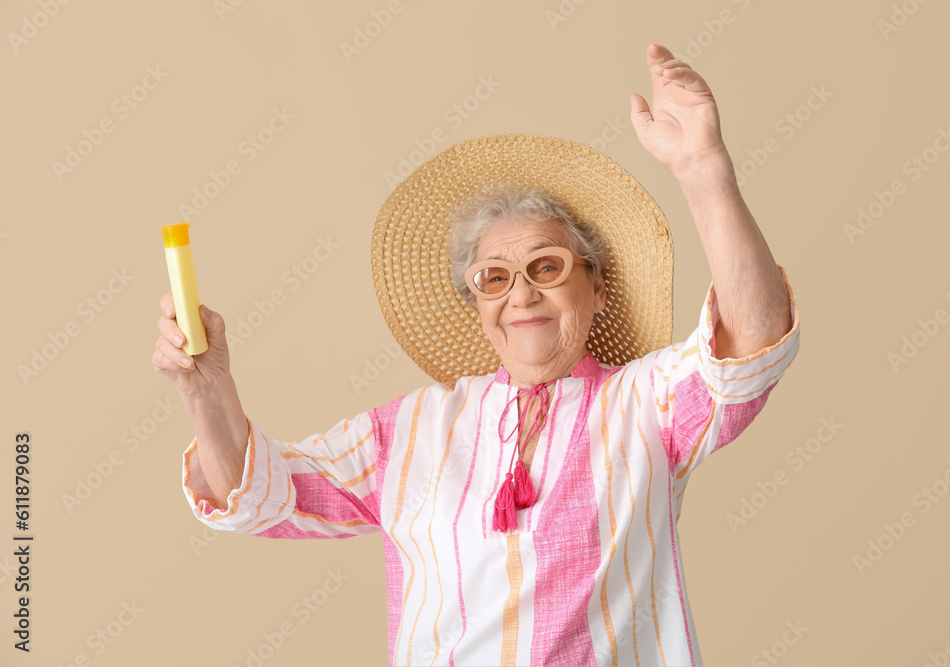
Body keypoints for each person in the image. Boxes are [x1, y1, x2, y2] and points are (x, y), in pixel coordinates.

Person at [153, 44, 801, 667]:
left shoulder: (647, 404)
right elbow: (263, 494)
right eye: (493, 277)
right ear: (477, 305)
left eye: (545, 266)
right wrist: (206, 391)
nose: (521, 292)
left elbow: (752, 340)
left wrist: (704, 170)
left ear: (597, 285)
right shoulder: (405, 432)